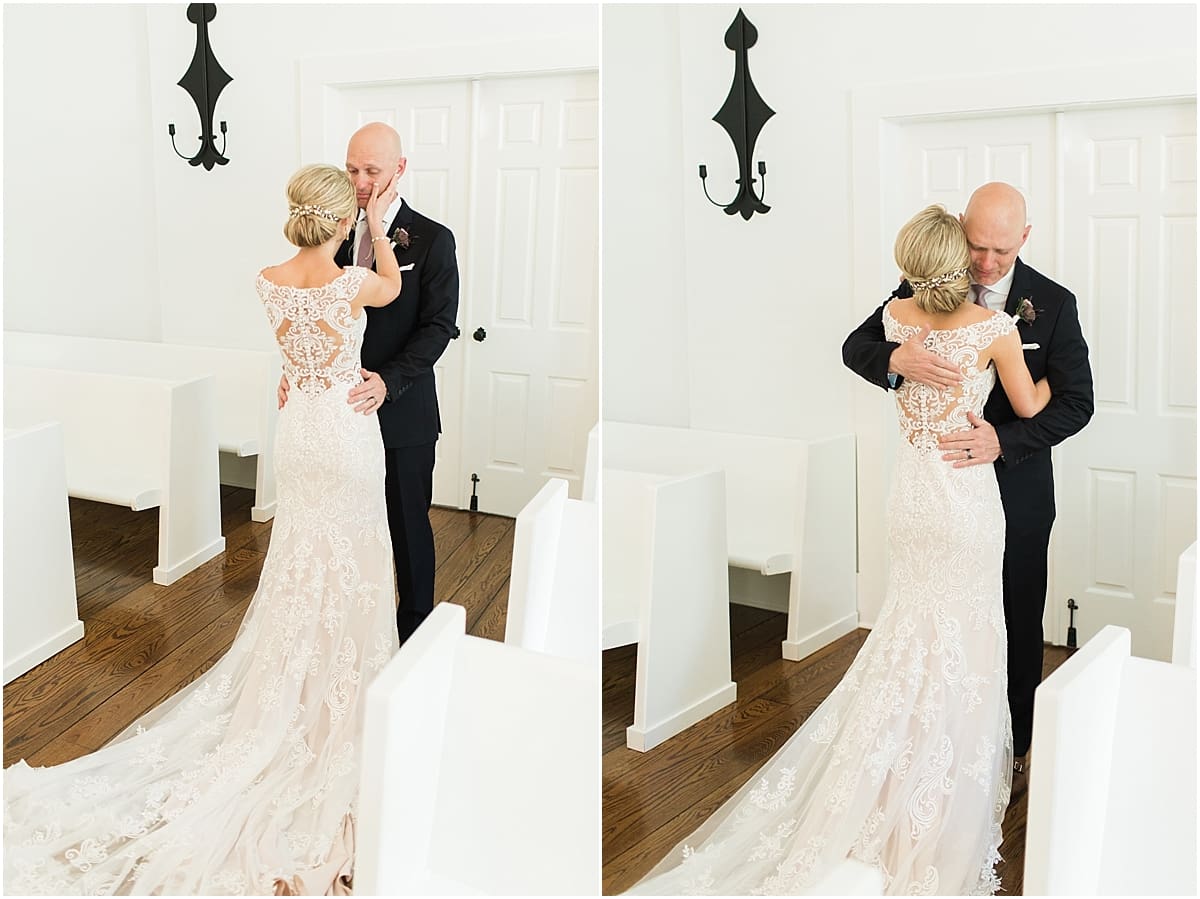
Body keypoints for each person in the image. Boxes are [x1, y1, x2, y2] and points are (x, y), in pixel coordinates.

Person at [5, 164, 404, 895]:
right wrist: (376, 227)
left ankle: (296, 690)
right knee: (351, 559)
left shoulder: (268, 278)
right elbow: (392, 285)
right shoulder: (353, 282)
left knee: (300, 558)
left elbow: (296, 349)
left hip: (300, 430)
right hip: (347, 432)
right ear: (343, 219)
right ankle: (343, 697)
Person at [630, 205, 1049, 895]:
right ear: (960, 256)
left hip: (910, 498)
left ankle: (888, 780)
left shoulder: (897, 320)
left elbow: (881, 347)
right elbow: (1029, 406)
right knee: (967, 638)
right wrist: (1044, 386)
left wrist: (900, 357)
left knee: (909, 631)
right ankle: (937, 795)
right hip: (966, 501)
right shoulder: (997, 331)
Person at [843, 182, 1094, 773]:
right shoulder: (921, 286)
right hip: (939, 490)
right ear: (960, 228)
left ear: (1024, 240)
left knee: (1016, 612)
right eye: (977, 246)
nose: (985, 263)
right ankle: (935, 744)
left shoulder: (1053, 304)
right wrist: (894, 362)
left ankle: (1014, 748)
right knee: (940, 616)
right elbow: (857, 345)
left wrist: (1000, 441)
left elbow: (1076, 403)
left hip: (1019, 488)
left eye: (1000, 253)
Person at [279, 122, 460, 646]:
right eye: (352, 168)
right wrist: (297, 373)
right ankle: (353, 636)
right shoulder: (327, 230)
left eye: (371, 171)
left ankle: (415, 639)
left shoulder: (432, 238)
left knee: (406, 526)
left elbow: (438, 326)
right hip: (334, 417)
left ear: (399, 169)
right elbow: (307, 311)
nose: (359, 181)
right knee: (343, 529)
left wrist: (389, 382)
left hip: (401, 411)